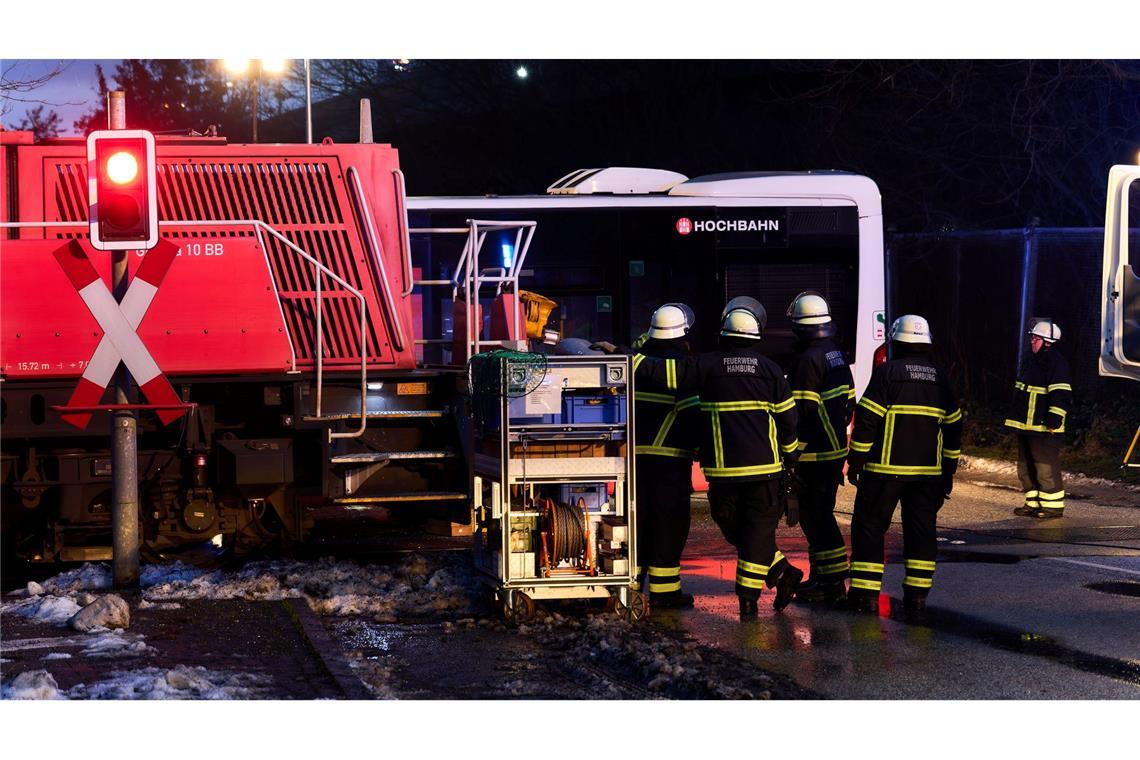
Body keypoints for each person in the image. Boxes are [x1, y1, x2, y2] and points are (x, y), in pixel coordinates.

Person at [598, 297, 803, 616]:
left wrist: (626, 357)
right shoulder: (772, 370)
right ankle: (769, 579)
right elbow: (788, 420)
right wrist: (791, 461)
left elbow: (663, 375)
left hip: (644, 464)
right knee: (684, 526)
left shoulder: (701, 366)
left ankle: (636, 585)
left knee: (641, 523)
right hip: (723, 468)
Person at [846, 315, 962, 623]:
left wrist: (856, 460)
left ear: (897, 341)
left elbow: (867, 419)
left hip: (884, 472)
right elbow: (953, 427)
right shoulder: (941, 378)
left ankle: (866, 598)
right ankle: (918, 598)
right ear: (926, 344)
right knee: (922, 533)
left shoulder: (888, 373)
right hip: (927, 475)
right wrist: (947, 470)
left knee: (870, 529)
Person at [784, 292, 855, 604]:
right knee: (821, 516)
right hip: (833, 449)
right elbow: (849, 403)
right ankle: (826, 579)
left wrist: (792, 453)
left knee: (817, 519)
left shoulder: (806, 360)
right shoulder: (835, 354)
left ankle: (831, 583)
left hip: (814, 454)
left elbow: (802, 413)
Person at [631, 304, 700, 608]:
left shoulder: (636, 362)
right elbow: (692, 417)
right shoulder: (682, 369)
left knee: (637, 522)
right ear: (682, 333)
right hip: (670, 460)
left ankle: (631, 585)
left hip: (633, 459)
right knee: (669, 525)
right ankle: (665, 592)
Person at [1004, 319, 1072, 519]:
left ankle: (1052, 507)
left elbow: (1061, 394)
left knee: (1045, 468)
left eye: (1037, 338)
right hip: (1026, 425)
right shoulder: (1029, 361)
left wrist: (1054, 419)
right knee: (1025, 467)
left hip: (1045, 428)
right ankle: (1032, 503)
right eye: (1032, 338)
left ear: (1048, 342)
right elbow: (1020, 393)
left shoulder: (1057, 364)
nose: (1032, 342)